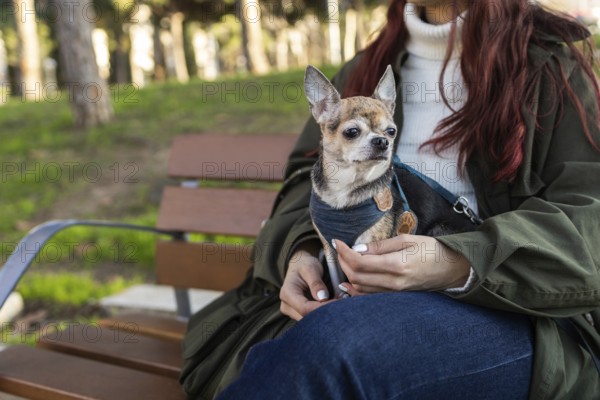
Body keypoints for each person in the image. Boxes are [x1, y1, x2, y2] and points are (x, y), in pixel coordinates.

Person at [180, 0, 600, 398]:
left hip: (511, 313)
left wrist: (455, 261)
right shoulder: (365, 68)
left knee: (335, 348)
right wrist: (302, 250)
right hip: (345, 301)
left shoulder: (548, 67)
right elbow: (303, 181)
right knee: (297, 349)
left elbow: (588, 220)